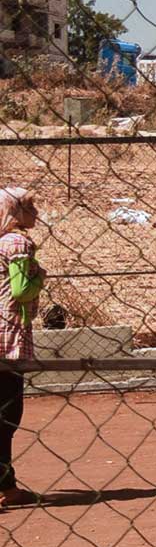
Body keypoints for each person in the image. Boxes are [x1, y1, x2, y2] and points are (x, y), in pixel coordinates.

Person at [0, 187, 44, 507]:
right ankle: (7, 488)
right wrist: (40, 276)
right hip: (8, 334)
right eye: (30, 207)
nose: (36, 213)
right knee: (8, 414)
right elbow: (21, 290)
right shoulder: (18, 242)